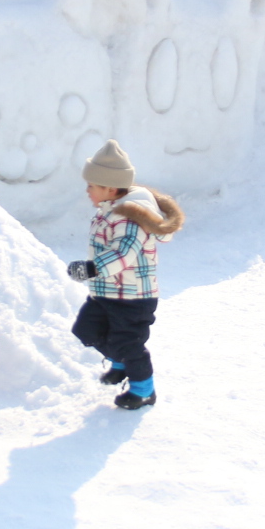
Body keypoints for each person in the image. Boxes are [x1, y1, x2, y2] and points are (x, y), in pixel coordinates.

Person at [66, 139, 184, 411]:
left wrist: (91, 268)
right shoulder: (109, 210)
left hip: (133, 297)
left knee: (128, 342)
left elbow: (123, 253)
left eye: (91, 186)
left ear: (109, 187)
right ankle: (121, 364)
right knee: (86, 330)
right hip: (107, 292)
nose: (87, 191)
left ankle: (144, 390)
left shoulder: (131, 216)